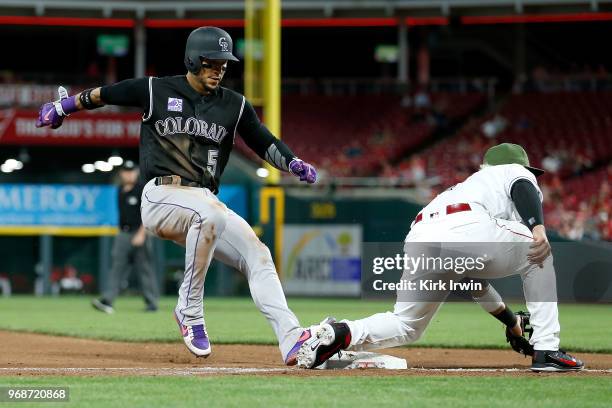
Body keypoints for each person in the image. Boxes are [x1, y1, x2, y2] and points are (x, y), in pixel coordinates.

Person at [35, 26, 317, 365]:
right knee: (208, 215)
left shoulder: (234, 105)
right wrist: (64, 106)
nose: (219, 70)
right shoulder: (155, 89)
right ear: (193, 59)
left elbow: (264, 141)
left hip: (204, 201)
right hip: (160, 195)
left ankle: (291, 339)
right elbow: (104, 94)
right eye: (212, 63)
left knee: (257, 254)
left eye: (224, 65)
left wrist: (293, 162)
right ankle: (189, 309)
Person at [298, 143, 584, 372]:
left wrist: (511, 322)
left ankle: (337, 333)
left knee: (406, 325)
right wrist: (538, 228)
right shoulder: (511, 172)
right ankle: (547, 347)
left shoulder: (464, 188)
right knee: (539, 251)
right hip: (467, 225)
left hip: (421, 236)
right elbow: (523, 187)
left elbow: (472, 282)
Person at [92, 160, 159, 314]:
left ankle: (152, 302)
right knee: (117, 267)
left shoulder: (142, 189)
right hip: (123, 233)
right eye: (125, 171)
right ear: (121, 173)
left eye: (131, 171)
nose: (128, 174)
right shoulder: (120, 189)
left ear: (135, 173)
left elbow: (148, 214)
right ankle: (107, 300)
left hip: (139, 232)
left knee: (144, 268)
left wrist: (142, 234)